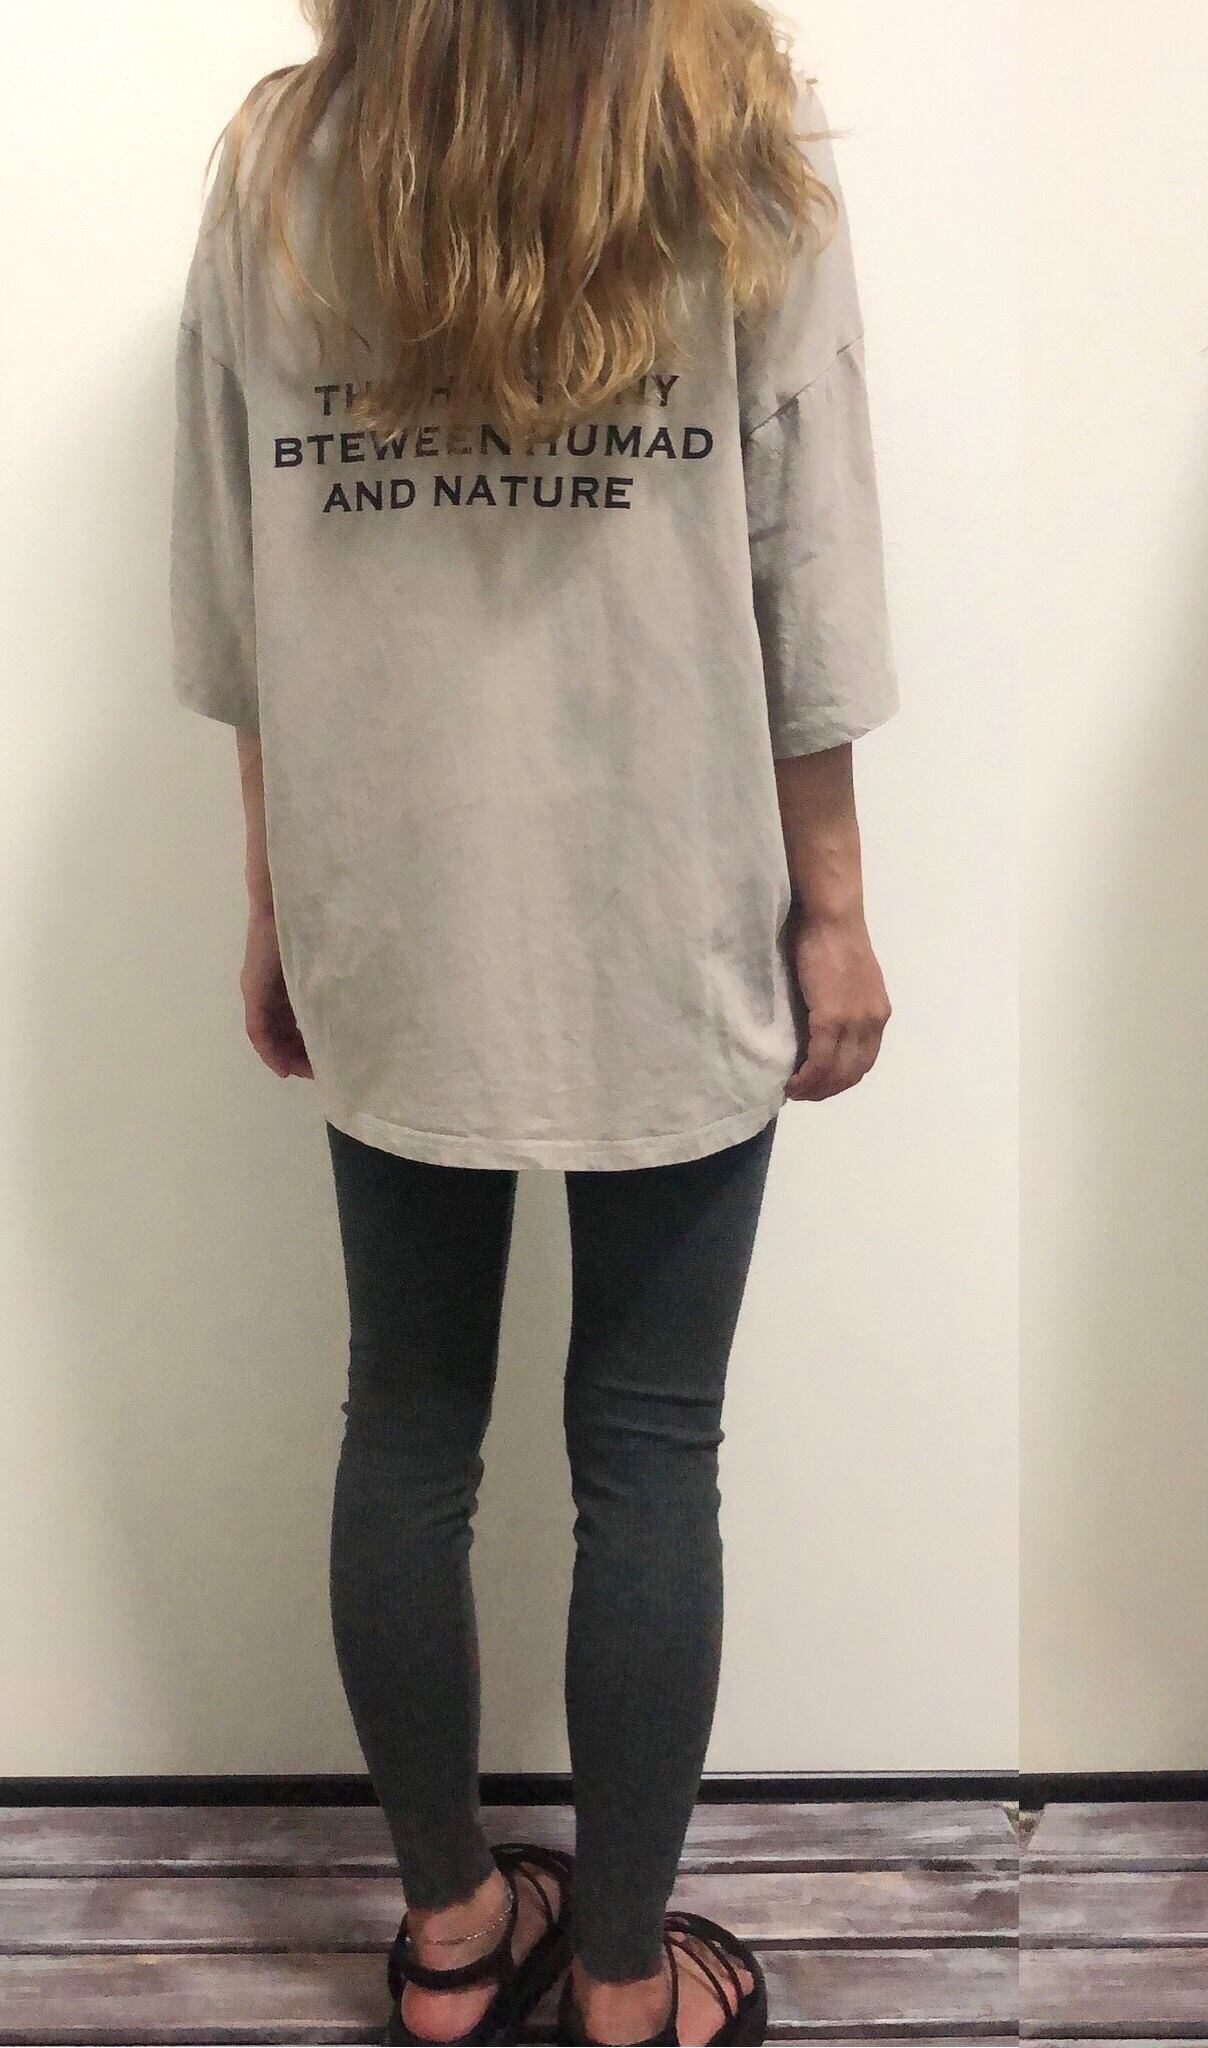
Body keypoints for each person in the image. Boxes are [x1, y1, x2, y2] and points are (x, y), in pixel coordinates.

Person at [169, 3, 896, 2041]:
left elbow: (241, 597)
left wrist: (276, 897)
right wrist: (836, 909)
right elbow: (811, 577)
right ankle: (626, 1980)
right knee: (649, 1449)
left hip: (390, 896)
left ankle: (446, 1940)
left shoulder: (285, 165)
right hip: (670, 895)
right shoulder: (733, 144)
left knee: (404, 1425)